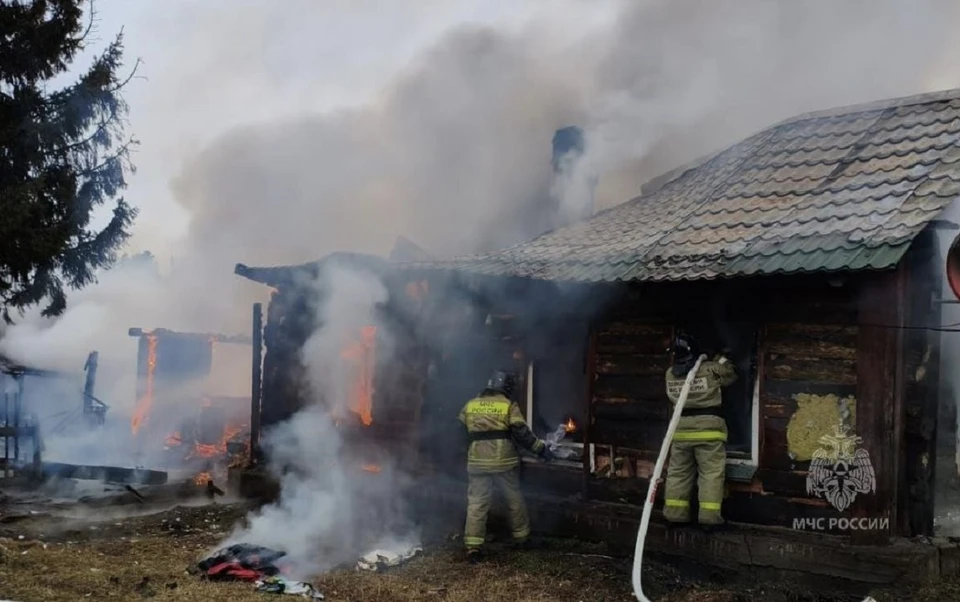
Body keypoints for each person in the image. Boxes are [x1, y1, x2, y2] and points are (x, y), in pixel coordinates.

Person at [458, 370, 554, 562]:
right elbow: (522, 433)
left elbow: (460, 432)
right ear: (506, 388)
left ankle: (473, 548)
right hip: (503, 463)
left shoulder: (470, 404)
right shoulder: (508, 405)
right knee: (514, 499)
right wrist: (541, 449)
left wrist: (467, 452)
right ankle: (522, 539)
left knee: (477, 503)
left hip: (477, 462)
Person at [663, 333, 737, 531]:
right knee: (711, 474)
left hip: (680, 432)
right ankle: (709, 519)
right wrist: (720, 357)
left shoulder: (670, 373)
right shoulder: (711, 369)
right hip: (709, 433)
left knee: (677, 473)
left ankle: (675, 515)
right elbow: (730, 375)